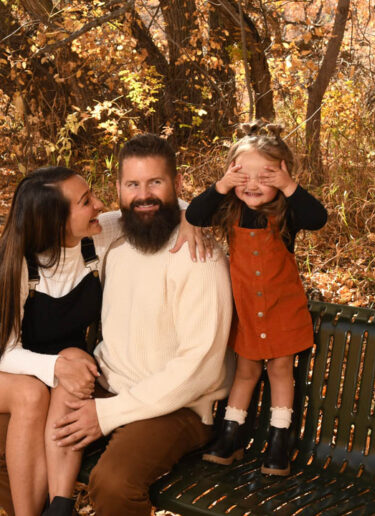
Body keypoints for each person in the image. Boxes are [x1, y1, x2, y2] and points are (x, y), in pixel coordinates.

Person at [0, 164, 207, 516]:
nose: (99, 204)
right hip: (13, 369)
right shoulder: (15, 262)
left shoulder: (96, 235)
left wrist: (193, 218)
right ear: (54, 220)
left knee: (71, 365)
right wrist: (56, 366)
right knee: (32, 394)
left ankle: (58, 507)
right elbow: (5, 352)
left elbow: (156, 207)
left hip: (56, 370)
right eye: (85, 201)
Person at [52, 134, 234, 515]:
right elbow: (55, 230)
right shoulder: (113, 240)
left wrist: (107, 415)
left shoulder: (199, 257)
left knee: (114, 484)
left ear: (178, 184)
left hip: (179, 407)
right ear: (118, 189)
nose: (144, 196)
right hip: (109, 386)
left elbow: (199, 370)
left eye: (156, 182)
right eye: (133, 185)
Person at [185, 121, 327, 475]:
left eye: (266, 177)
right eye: (242, 176)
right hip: (247, 310)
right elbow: (194, 214)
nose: (253, 185)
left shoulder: (287, 212)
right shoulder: (229, 209)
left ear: (282, 177)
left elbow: (318, 217)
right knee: (246, 371)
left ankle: (280, 442)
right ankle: (230, 437)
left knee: (280, 370)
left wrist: (288, 186)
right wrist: (221, 185)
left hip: (282, 308)